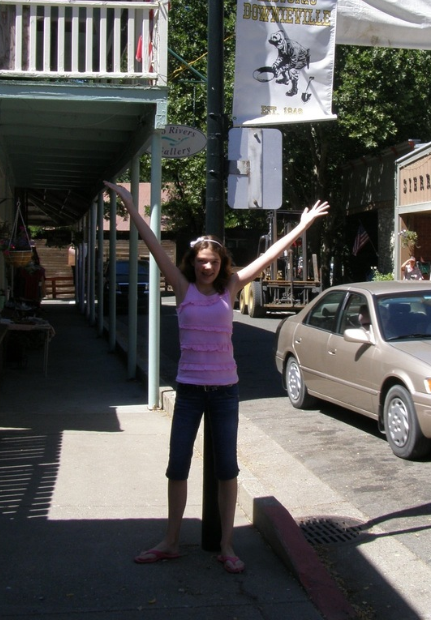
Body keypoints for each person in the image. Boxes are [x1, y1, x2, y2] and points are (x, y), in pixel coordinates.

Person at [104, 181, 329, 573]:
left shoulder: (232, 287)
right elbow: (153, 243)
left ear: (221, 263)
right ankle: (171, 540)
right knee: (177, 465)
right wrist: (129, 205)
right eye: (200, 261)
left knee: (228, 469)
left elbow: (270, 255)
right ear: (192, 262)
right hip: (190, 391)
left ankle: (226, 545)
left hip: (225, 392)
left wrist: (302, 225)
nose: (206, 266)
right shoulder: (182, 287)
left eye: (212, 261)